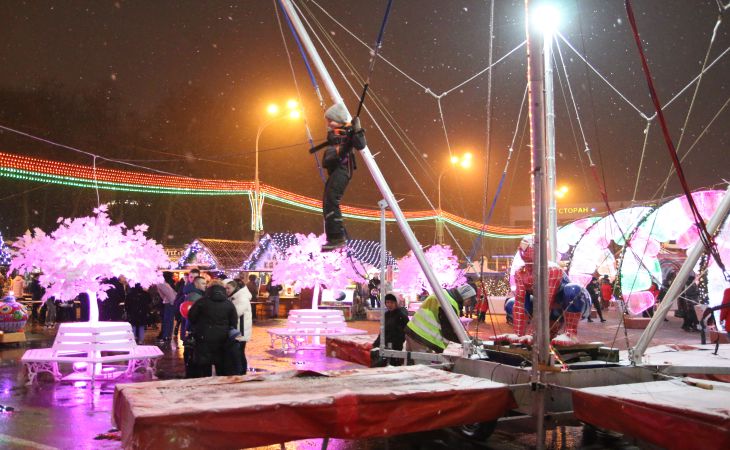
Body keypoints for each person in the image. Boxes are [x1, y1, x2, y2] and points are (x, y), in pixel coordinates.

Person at [320, 102, 366, 251]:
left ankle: (337, 236)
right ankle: (333, 236)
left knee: (332, 198)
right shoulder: (338, 132)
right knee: (327, 201)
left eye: (330, 120)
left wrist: (357, 129)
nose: (328, 124)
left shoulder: (348, 131)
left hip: (342, 169)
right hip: (336, 169)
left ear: (338, 119)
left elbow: (360, 144)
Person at [405, 284, 476, 353]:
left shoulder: (443, 294)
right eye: (469, 303)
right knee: (422, 364)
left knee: (410, 362)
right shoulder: (449, 304)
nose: (467, 305)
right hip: (422, 338)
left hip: (413, 330)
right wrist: (464, 340)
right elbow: (448, 331)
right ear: (467, 299)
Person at [187, 284, 238, 378]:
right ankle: (221, 383)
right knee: (221, 362)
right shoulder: (229, 304)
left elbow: (191, 317)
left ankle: (206, 382)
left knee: (204, 363)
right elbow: (234, 321)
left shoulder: (201, 302)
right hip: (223, 338)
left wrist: (197, 327)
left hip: (203, 337)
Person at [373, 293, 409, 365]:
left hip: (395, 346)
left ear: (396, 303)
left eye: (392, 302)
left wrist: (396, 343)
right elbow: (383, 331)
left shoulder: (401, 315)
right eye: (387, 302)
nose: (389, 305)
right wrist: (376, 343)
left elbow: (405, 332)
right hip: (385, 345)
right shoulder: (386, 315)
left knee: (393, 366)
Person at [225, 279, 252, 374]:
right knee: (238, 353)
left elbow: (235, 313)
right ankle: (240, 372)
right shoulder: (234, 297)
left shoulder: (241, 298)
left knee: (239, 354)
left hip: (240, 331)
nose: (227, 290)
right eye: (225, 288)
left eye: (228, 288)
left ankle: (241, 373)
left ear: (235, 287)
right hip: (238, 330)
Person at [155, 273, 179, 342]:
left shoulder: (161, 284)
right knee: (169, 320)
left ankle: (165, 336)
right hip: (171, 302)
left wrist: (169, 301)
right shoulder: (164, 283)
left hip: (170, 303)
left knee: (167, 320)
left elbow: (169, 294)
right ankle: (168, 336)